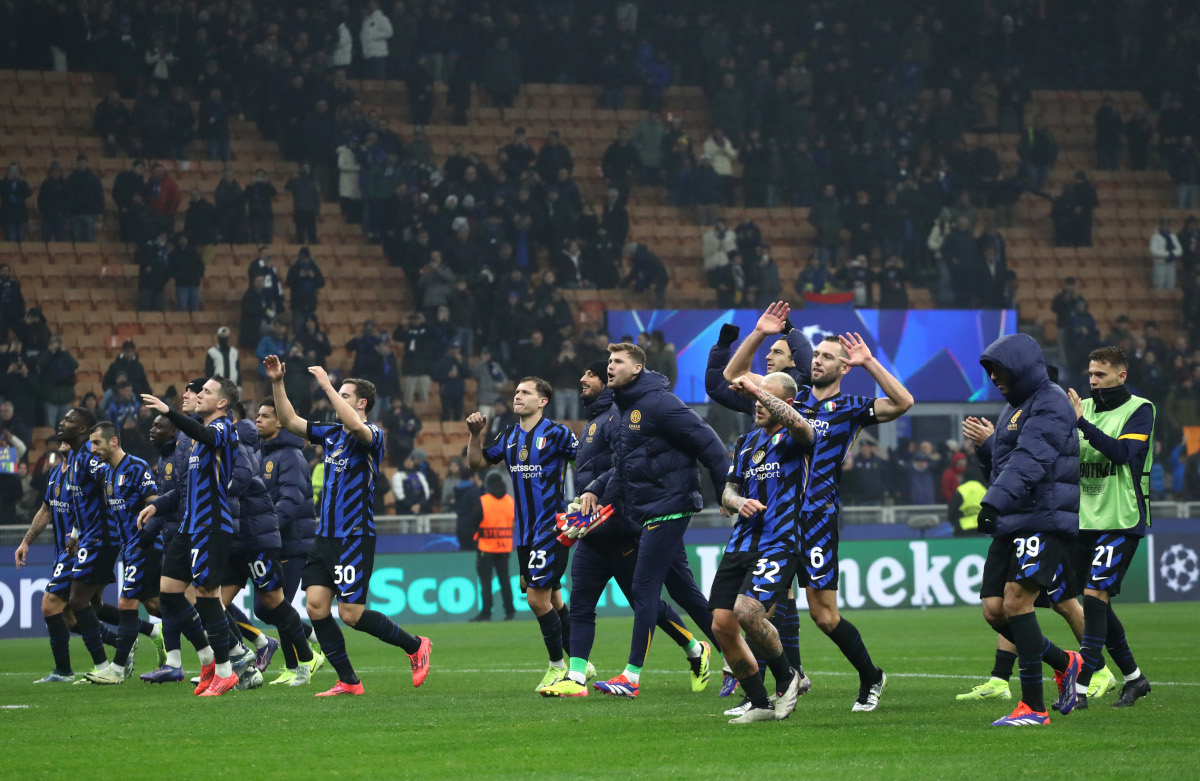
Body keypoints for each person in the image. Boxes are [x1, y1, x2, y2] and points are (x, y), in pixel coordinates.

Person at [540, 362, 716, 698]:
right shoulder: (594, 422)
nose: (584, 379)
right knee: (582, 603)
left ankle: (709, 651)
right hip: (594, 532)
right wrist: (581, 509)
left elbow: (626, 473)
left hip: (625, 529)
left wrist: (609, 506)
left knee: (656, 600)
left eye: (592, 374)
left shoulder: (621, 420)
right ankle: (576, 678)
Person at [263, 354, 431, 696]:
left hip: (354, 536)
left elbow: (355, 426)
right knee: (316, 607)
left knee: (351, 614)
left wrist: (326, 384)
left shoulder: (372, 434)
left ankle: (415, 645)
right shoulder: (332, 434)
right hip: (324, 536)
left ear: (362, 402)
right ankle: (348, 681)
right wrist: (277, 383)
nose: (337, 398)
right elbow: (291, 421)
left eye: (345, 394)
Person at [785, 321, 915, 712]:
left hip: (818, 517)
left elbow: (903, 401)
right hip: (777, 518)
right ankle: (771, 687)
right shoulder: (792, 399)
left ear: (844, 368)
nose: (818, 362)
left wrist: (870, 363)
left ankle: (871, 676)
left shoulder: (852, 409)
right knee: (760, 605)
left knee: (824, 616)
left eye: (828, 357)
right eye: (817, 355)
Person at [974, 334, 1084, 726]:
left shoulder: (1051, 400)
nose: (994, 379)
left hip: (1042, 516)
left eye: (999, 370)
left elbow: (1032, 459)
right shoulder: (1014, 408)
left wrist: (993, 502)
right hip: (1013, 518)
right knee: (994, 609)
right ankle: (1064, 660)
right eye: (990, 373)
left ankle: (1033, 708)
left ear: (1021, 366)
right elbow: (1006, 465)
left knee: (1018, 601)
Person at [466, 377, 579, 693]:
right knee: (553, 598)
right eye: (516, 391)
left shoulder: (558, 433)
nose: (517, 396)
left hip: (552, 529)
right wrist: (475, 435)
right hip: (525, 534)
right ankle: (581, 661)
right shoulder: (509, 435)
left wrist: (585, 497)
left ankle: (558, 667)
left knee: (536, 600)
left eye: (525, 392)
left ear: (543, 401)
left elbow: (584, 461)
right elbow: (476, 463)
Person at [714, 371, 815, 722]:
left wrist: (756, 387)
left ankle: (788, 679)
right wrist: (737, 501)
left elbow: (804, 427)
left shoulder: (797, 434)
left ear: (784, 403)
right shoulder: (746, 442)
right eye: (755, 398)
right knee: (722, 626)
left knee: (747, 611)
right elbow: (727, 492)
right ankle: (758, 703)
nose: (756, 404)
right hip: (740, 542)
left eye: (763, 398)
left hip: (780, 541)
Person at [137, 378, 248, 696]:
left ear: (223, 403)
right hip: (188, 527)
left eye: (207, 392)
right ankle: (210, 659)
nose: (199, 395)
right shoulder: (196, 440)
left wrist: (169, 411)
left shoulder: (225, 428)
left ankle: (226, 671)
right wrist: (157, 506)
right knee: (169, 594)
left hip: (211, 526)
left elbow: (204, 432)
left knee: (206, 594)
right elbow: (184, 490)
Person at [1064, 347, 1154, 708]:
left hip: (1120, 517)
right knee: (1096, 601)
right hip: (1085, 521)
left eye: (1100, 375)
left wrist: (1081, 424)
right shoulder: (1081, 406)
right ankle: (1135, 679)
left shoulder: (1140, 410)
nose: (1092, 381)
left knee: (1095, 597)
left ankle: (1080, 689)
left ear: (1121, 376)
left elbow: (1121, 454)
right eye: (1089, 374)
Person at [81, 421, 164, 684]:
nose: (92, 449)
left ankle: (117, 668)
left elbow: (155, 507)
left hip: (146, 547)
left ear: (113, 442)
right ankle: (216, 639)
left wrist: (143, 542)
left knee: (126, 603)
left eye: (97, 443)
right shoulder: (108, 474)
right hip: (128, 549)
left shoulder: (137, 468)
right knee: (157, 605)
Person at [255, 400, 321, 684]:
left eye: (265, 415)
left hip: (291, 544)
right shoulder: (263, 454)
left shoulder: (291, 456)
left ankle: (302, 666)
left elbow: (291, 502)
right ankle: (297, 655)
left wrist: (266, 531)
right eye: (257, 414)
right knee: (268, 607)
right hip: (273, 541)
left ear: (280, 422)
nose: (258, 419)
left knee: (276, 605)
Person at [13, 441, 80, 682]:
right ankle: (131, 637)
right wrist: (26, 541)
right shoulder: (54, 473)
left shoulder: (82, 471)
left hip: (77, 549)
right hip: (60, 552)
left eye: (66, 431)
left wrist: (77, 538)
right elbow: (45, 510)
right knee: (72, 616)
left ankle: (63, 671)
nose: (61, 436)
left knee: (50, 605)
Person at [471, 473, 515, 622]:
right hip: (504, 546)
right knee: (505, 580)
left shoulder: (483, 501)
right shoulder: (510, 501)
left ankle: (486, 613)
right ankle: (510, 612)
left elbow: (474, 521)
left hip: (486, 547)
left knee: (486, 581)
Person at [1149, 218, 1183, 290]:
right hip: (1160, 264)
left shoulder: (1173, 237)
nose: (1165, 227)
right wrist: (1169, 253)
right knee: (1159, 284)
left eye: (1167, 225)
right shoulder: (1155, 237)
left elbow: (1179, 250)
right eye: (1163, 225)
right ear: (1160, 226)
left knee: (1171, 284)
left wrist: (1171, 253)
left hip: (1171, 264)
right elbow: (1154, 251)